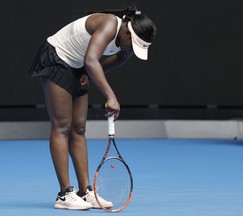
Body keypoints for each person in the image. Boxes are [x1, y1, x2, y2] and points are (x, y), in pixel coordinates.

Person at [30, 5, 156, 210]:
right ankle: (64, 195)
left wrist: (88, 75)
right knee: (62, 125)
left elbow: (115, 59)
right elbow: (91, 60)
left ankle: (85, 191)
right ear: (126, 33)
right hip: (57, 57)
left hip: (79, 65)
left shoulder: (127, 41)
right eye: (133, 45)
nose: (132, 50)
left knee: (79, 128)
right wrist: (110, 96)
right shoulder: (109, 24)